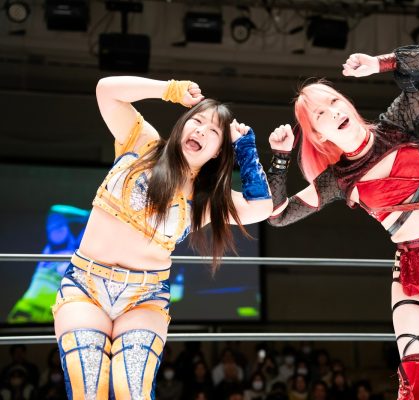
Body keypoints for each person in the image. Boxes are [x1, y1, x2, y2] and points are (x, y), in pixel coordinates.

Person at [266, 45, 419, 399]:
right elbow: (279, 214)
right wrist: (280, 158)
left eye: (334, 101)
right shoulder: (337, 179)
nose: (333, 111)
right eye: (320, 114)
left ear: (348, 103)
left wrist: (379, 63)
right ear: (318, 134)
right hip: (410, 269)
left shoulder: (395, 125)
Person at [52, 76, 273, 400]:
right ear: (183, 125)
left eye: (213, 132)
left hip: (144, 296)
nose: (201, 131)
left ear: (216, 152)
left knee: (132, 391)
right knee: (88, 386)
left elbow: (261, 207)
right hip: (86, 285)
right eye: (197, 121)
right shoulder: (143, 142)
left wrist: (245, 148)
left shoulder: (206, 198)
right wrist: (169, 90)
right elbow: (106, 90)